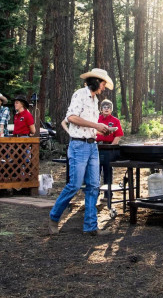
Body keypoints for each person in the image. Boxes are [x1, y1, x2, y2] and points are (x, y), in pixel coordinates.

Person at [48, 68, 114, 236]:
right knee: (74, 185)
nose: (104, 87)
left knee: (93, 186)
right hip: (78, 146)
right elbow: (71, 118)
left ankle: (90, 227)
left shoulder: (95, 99)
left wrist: (102, 130)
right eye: (103, 83)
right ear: (97, 82)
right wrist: (96, 125)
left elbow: (89, 126)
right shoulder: (80, 94)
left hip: (92, 146)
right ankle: (54, 217)